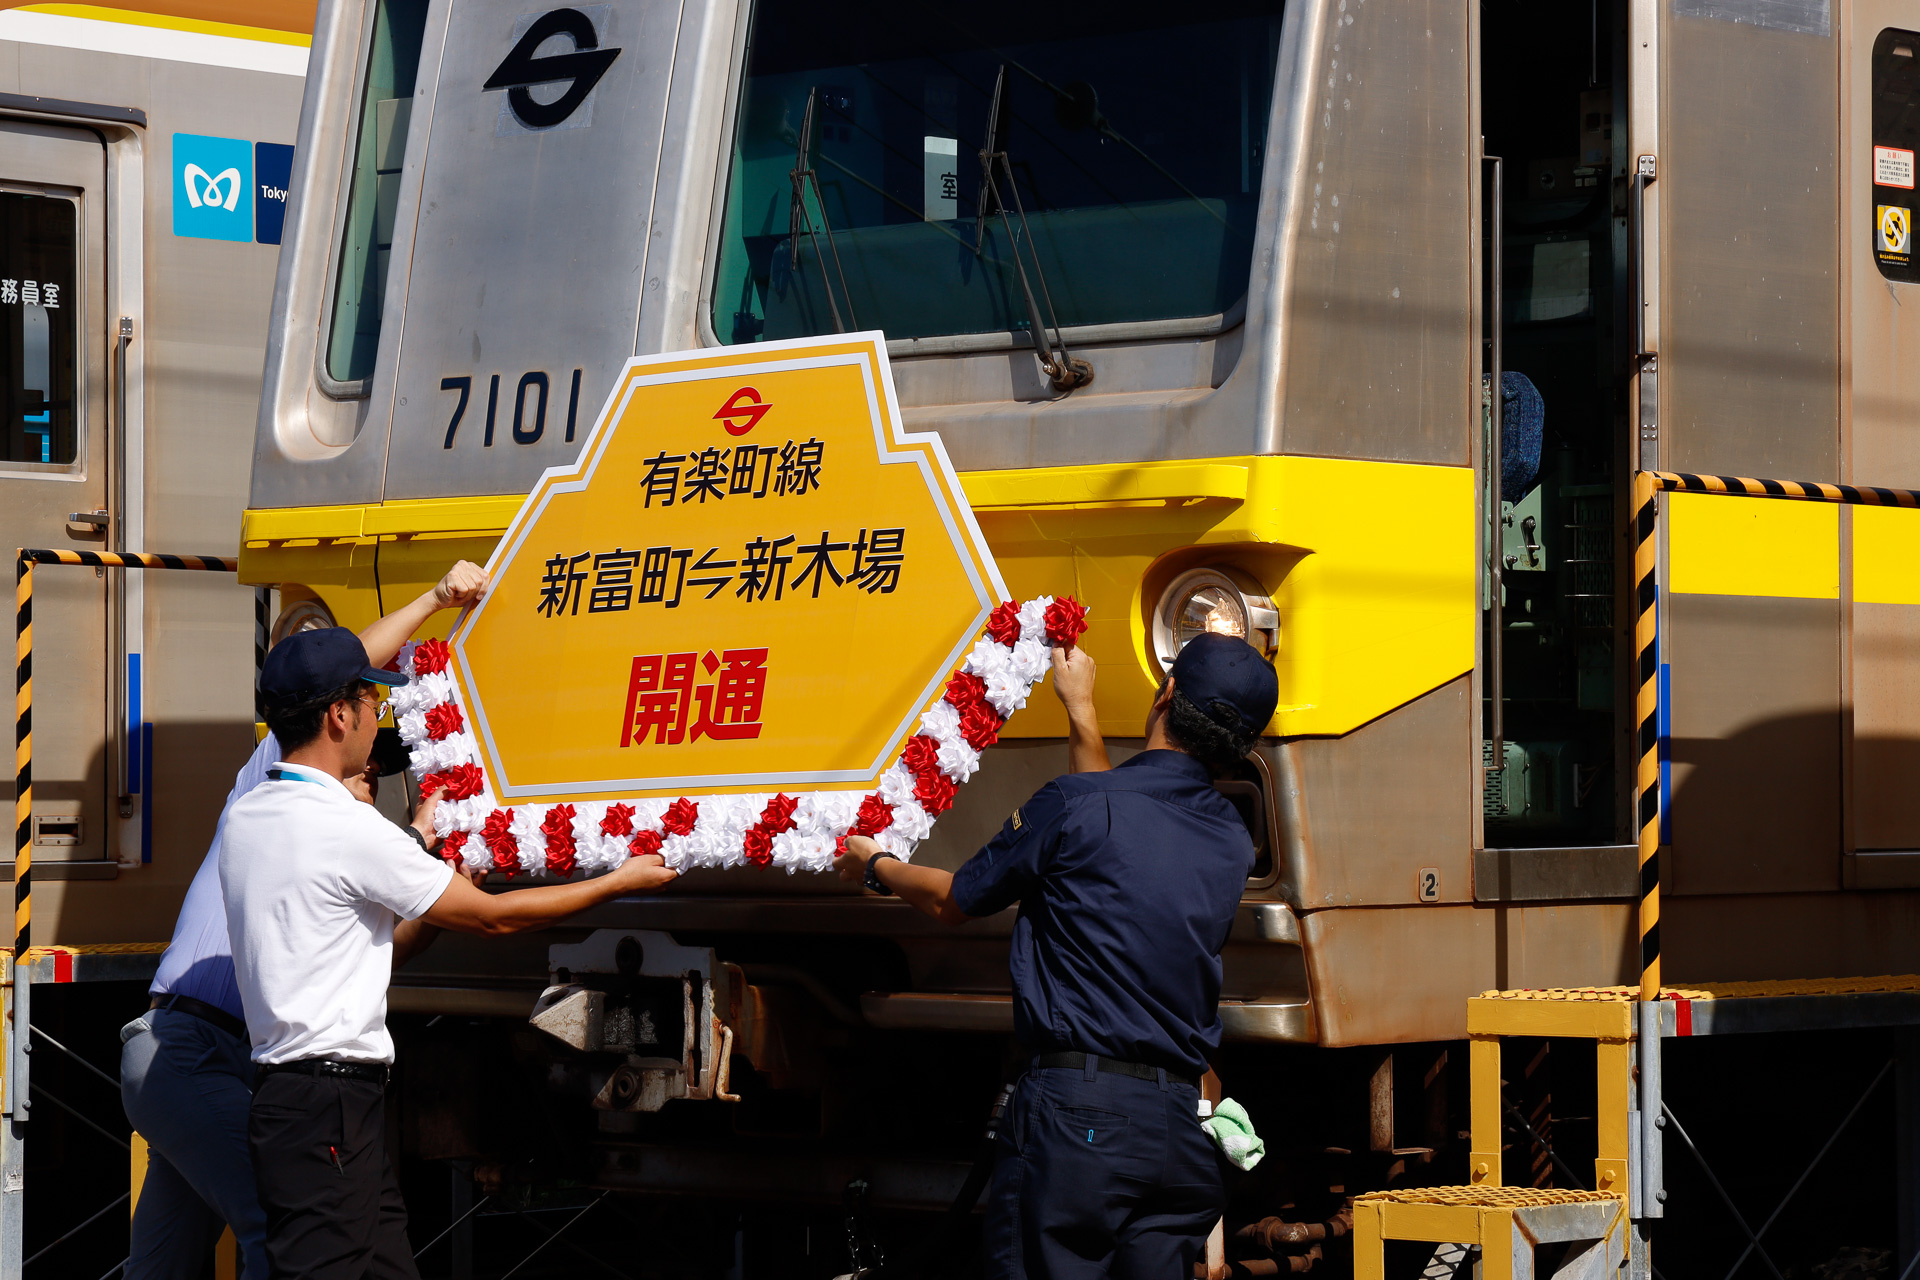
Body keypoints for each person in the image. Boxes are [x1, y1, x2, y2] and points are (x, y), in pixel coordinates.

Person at [222, 626, 680, 1280]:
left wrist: (421, 849)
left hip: (302, 1099)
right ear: (338, 715)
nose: (376, 720)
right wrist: (619, 881)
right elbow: (491, 921)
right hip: (328, 1103)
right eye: (370, 704)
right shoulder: (343, 828)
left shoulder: (251, 816)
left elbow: (359, 931)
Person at [834, 632, 1279, 1280]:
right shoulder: (1229, 840)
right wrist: (1082, 711)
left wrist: (876, 863)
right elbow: (1117, 829)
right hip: (1176, 1132)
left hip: (1077, 1126)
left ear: (1168, 692)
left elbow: (954, 900)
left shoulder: (1076, 807)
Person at [121, 563, 489, 1280]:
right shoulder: (275, 785)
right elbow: (348, 665)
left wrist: (446, 900)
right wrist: (436, 598)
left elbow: (375, 962)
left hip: (206, 1062)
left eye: (374, 785)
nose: (364, 782)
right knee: (277, 1231)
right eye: (358, 768)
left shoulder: (336, 852)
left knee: (162, 1265)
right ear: (331, 734)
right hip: (194, 1045)